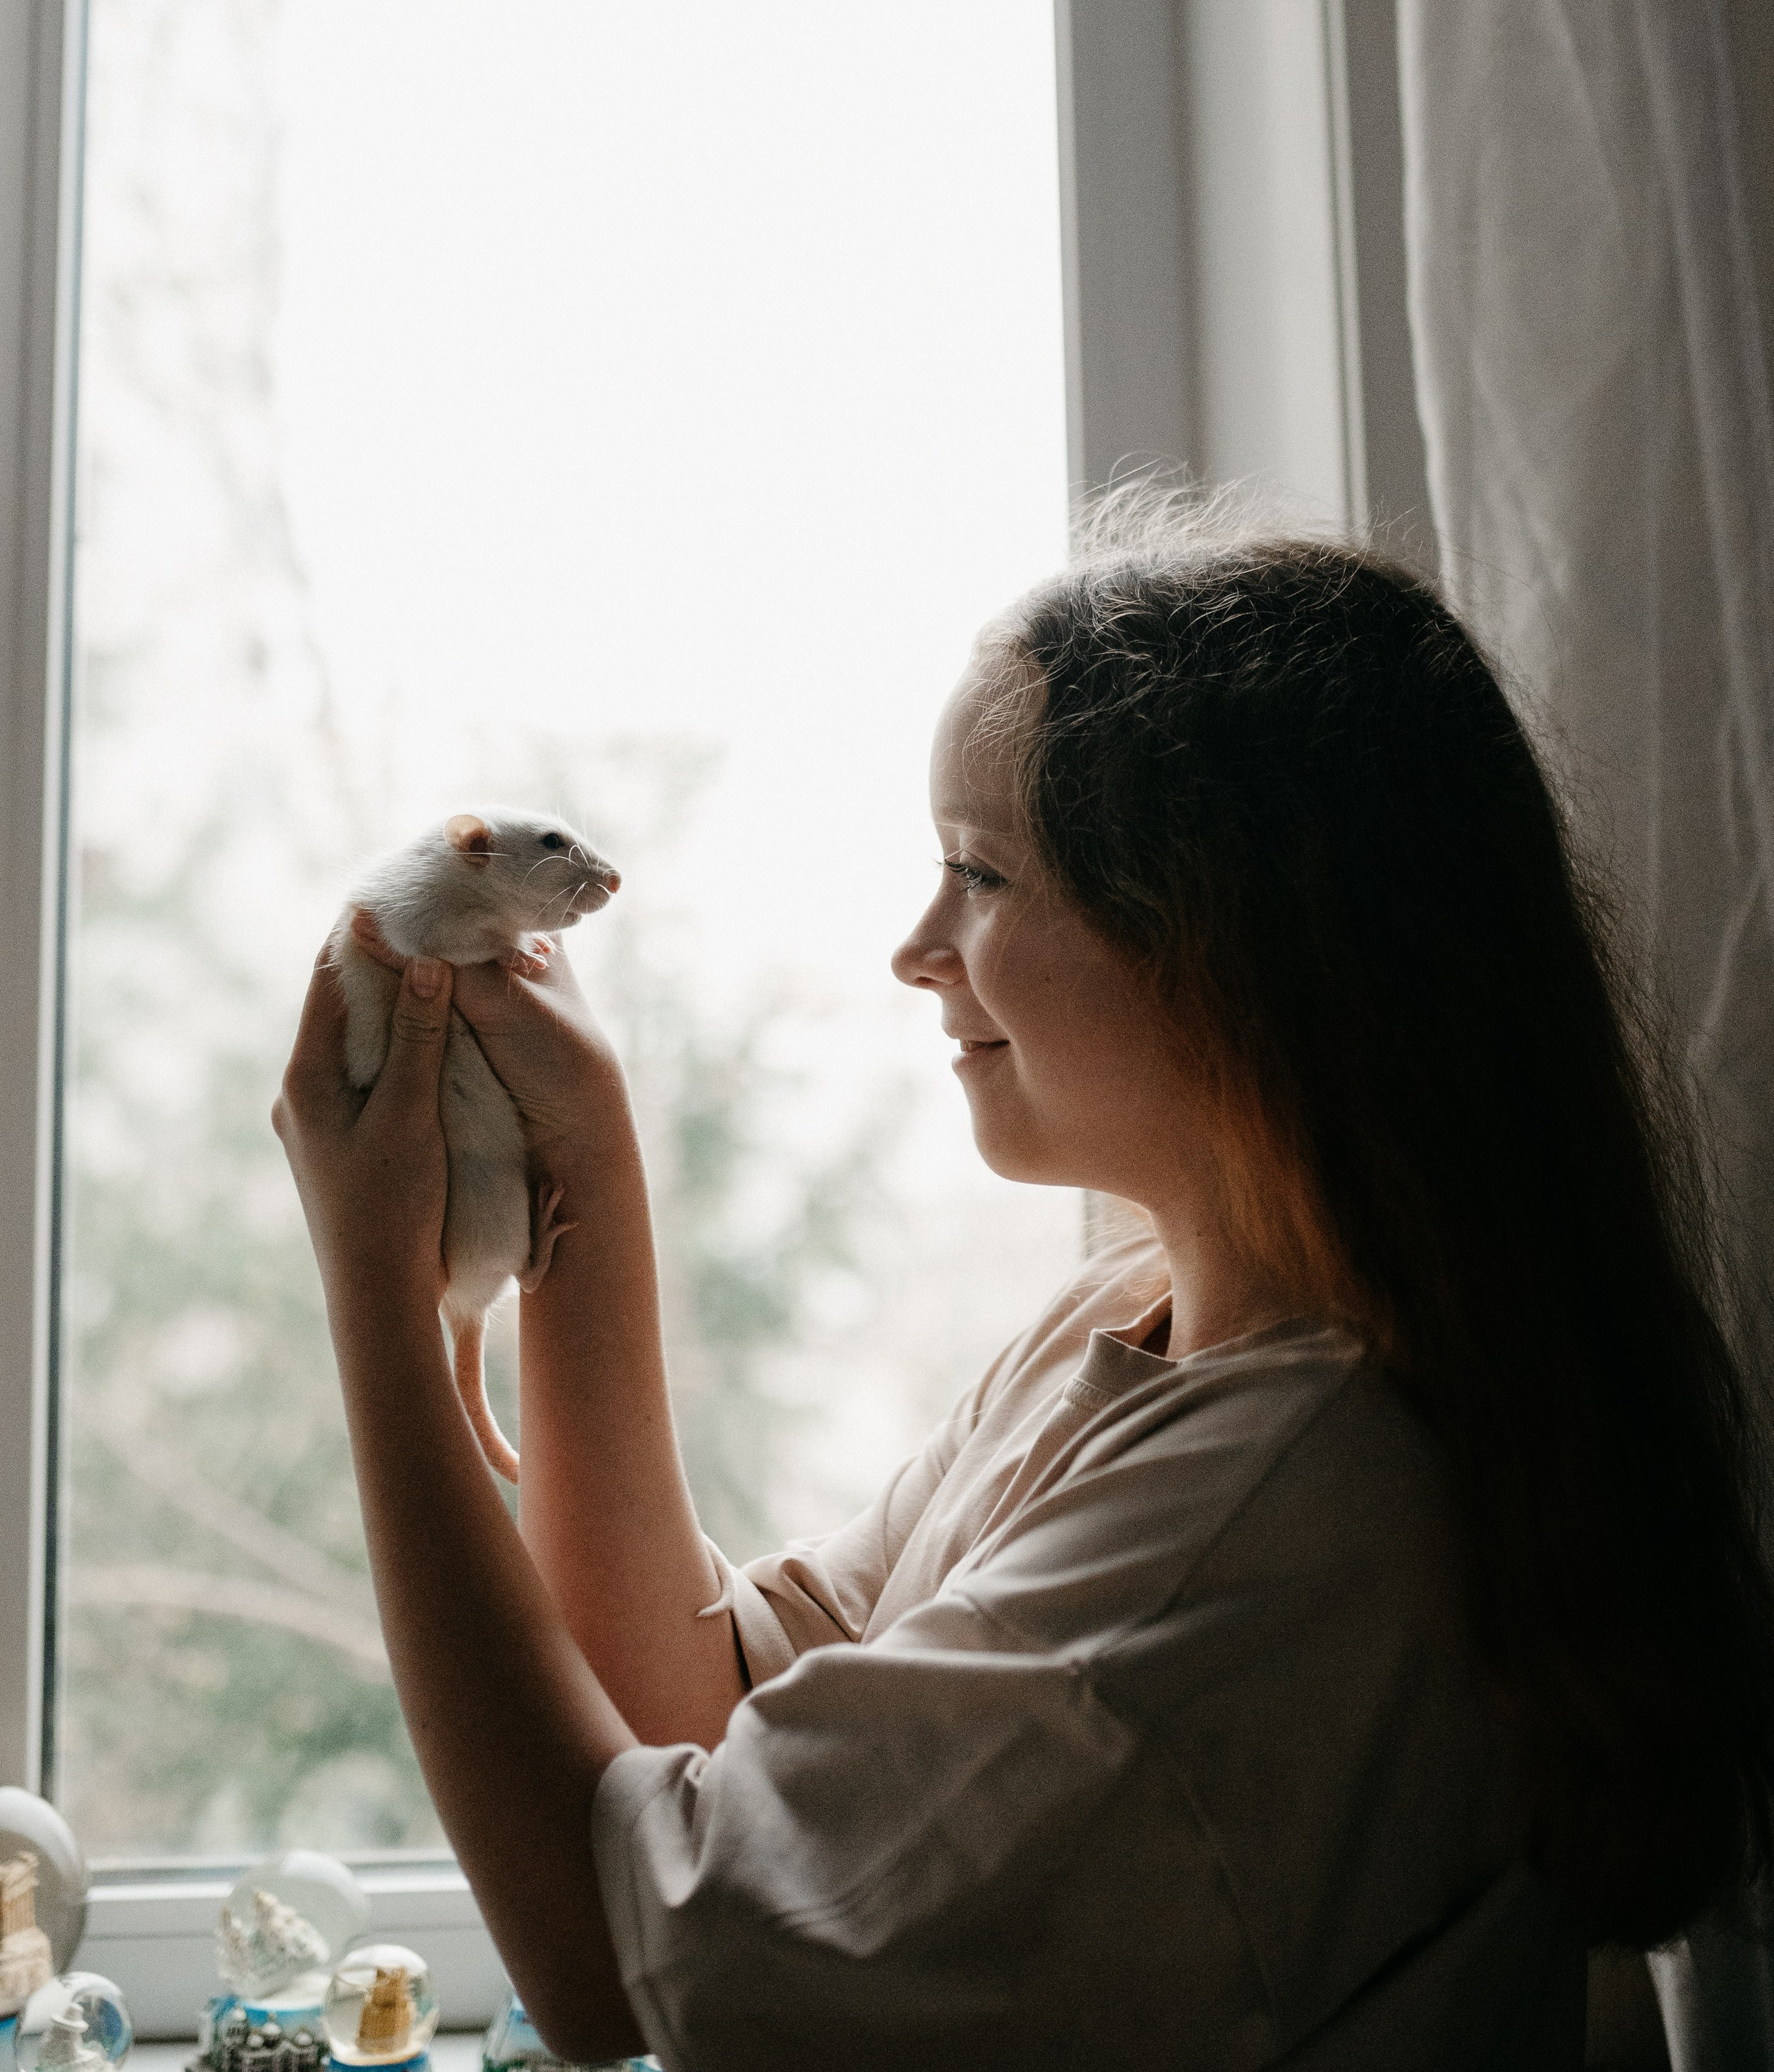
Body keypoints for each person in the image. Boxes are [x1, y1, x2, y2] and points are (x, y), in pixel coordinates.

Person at [272, 502, 1774, 2071]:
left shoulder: (1262, 1527)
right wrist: (581, 1161)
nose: (917, 947)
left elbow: (617, 1952)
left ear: (1223, 940)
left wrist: (379, 1305)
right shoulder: (1125, 1328)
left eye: (980, 873)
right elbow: (693, 1709)